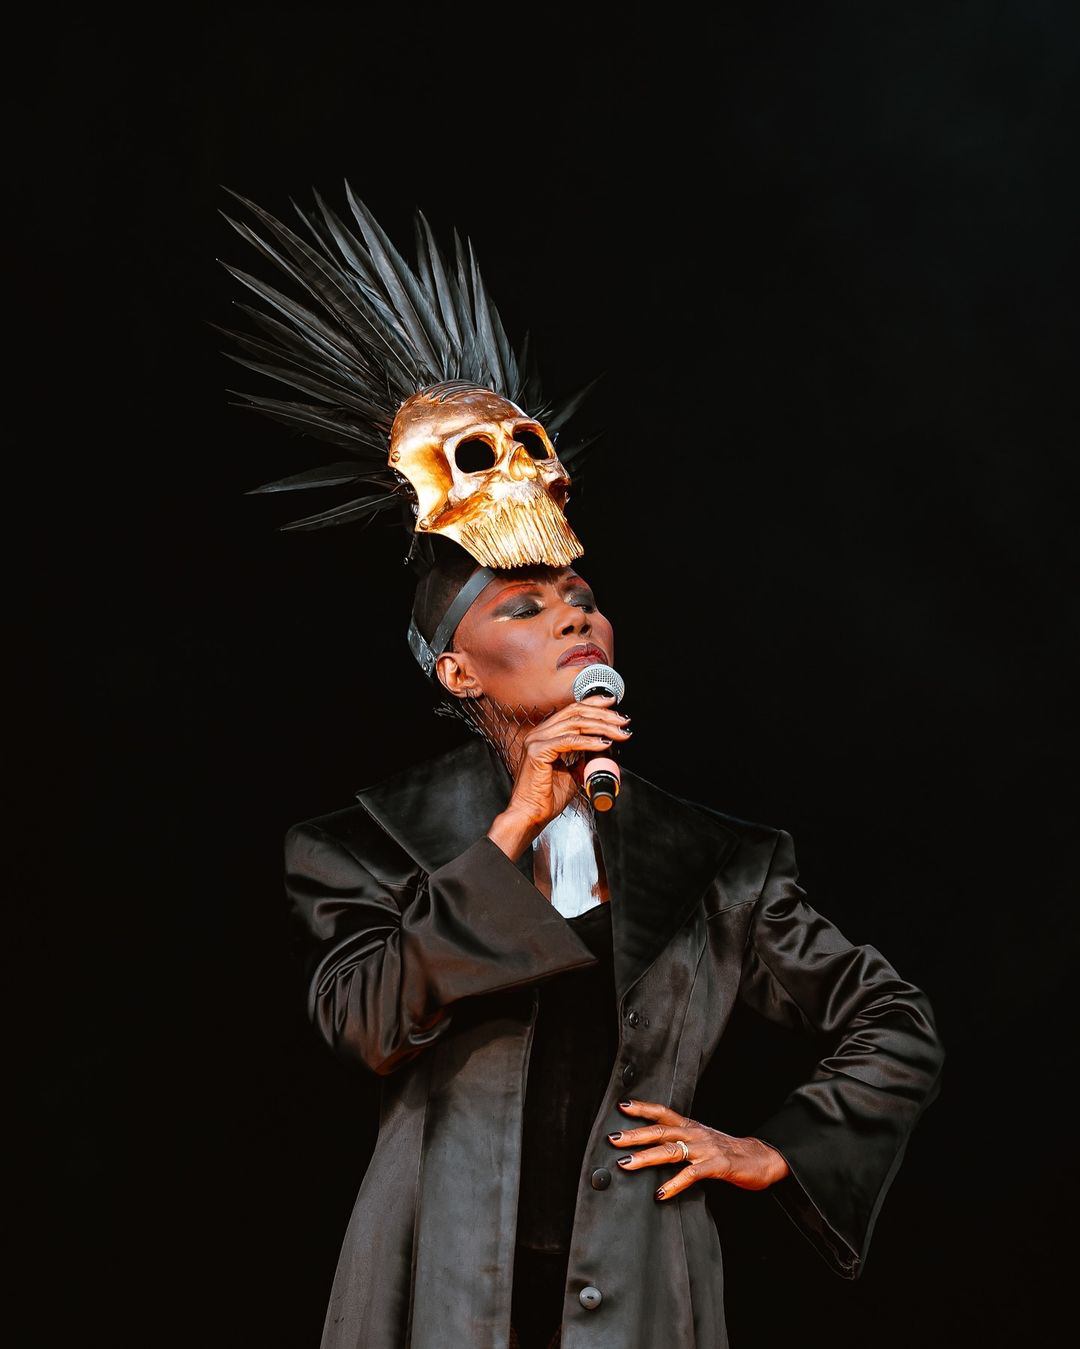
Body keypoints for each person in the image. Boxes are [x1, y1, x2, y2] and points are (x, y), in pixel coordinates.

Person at [224, 188, 945, 1348]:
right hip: (430, 1296)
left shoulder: (717, 859)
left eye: (582, 599)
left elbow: (891, 1017)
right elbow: (366, 1022)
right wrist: (517, 823)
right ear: (458, 668)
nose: (572, 618)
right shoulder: (365, 841)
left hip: (643, 1299)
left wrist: (775, 1149)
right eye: (522, 605)